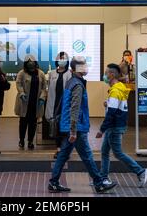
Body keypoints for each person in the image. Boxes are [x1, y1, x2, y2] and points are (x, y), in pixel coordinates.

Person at [48, 57, 117, 194]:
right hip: (76, 127)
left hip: (70, 125)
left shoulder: (72, 82)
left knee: (63, 154)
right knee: (86, 155)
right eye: (83, 65)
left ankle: (54, 182)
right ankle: (99, 183)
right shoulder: (78, 85)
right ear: (78, 69)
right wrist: (73, 131)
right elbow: (75, 109)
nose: (86, 67)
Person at [96, 63, 147, 187]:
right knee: (104, 152)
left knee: (118, 153)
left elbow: (111, 114)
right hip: (115, 126)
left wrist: (101, 129)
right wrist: (108, 104)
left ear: (112, 74)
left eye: (106, 73)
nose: (104, 75)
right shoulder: (120, 88)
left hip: (114, 127)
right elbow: (117, 106)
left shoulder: (115, 91)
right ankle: (103, 178)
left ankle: (140, 171)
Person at [14, 54, 47, 150]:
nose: (30, 64)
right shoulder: (21, 73)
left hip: (35, 102)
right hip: (24, 102)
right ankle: (21, 140)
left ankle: (30, 141)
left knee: (33, 123)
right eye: (28, 62)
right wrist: (22, 93)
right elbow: (18, 84)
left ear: (35, 63)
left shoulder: (40, 73)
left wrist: (42, 97)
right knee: (23, 122)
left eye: (32, 62)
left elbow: (44, 87)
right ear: (25, 64)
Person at [45, 52, 72, 159]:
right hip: (54, 104)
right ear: (57, 60)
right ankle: (58, 150)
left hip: (65, 105)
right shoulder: (52, 73)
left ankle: (66, 151)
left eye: (64, 58)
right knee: (56, 129)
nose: (62, 60)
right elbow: (48, 89)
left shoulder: (70, 74)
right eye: (60, 58)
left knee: (65, 129)